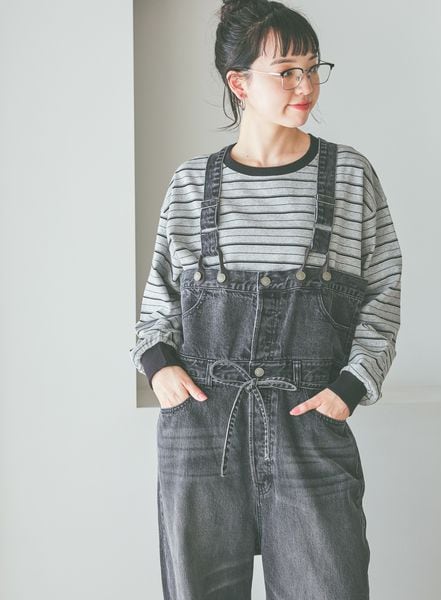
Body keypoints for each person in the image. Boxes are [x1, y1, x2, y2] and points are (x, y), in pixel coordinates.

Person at [130, 0, 403, 598]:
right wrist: (158, 364)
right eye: (287, 71)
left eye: (313, 67)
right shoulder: (191, 182)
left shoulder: (350, 175)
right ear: (240, 84)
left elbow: (383, 290)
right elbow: (159, 298)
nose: (306, 85)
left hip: (309, 426)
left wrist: (351, 385)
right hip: (202, 428)